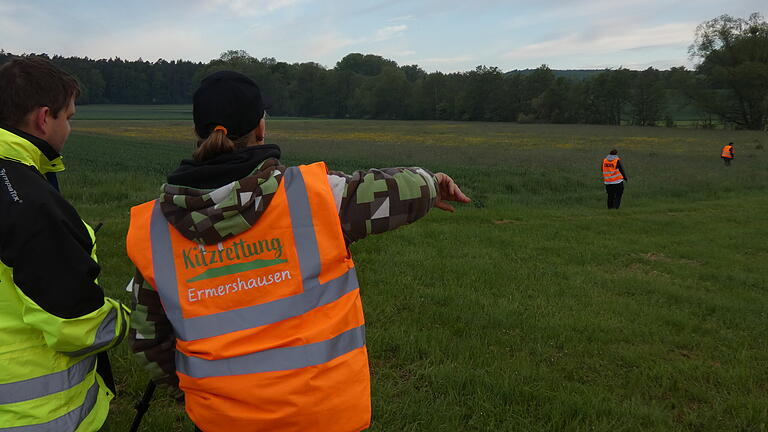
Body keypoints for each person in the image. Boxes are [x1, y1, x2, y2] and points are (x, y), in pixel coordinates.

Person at [126, 70, 470, 432]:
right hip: (322, 416)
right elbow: (406, 189)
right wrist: (434, 183)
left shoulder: (155, 228)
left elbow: (148, 339)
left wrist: (196, 391)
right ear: (260, 128)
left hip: (222, 421)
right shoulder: (317, 196)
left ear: (198, 133)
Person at [0, 57, 131, 431]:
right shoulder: (29, 203)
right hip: (36, 414)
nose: (70, 127)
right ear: (43, 118)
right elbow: (76, 324)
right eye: (68, 117)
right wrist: (131, 319)